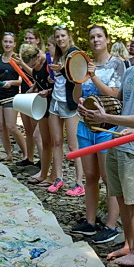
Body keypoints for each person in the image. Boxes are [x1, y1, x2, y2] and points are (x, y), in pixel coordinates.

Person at [79, 23, 134, 264]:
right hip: (117, 140)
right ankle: (128, 245)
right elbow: (118, 99)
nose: (132, 40)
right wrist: (92, 107)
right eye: (133, 36)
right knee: (121, 198)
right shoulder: (130, 70)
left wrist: (104, 118)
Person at [70, 25, 124, 237]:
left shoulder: (117, 64)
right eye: (92, 37)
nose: (95, 40)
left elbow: (115, 94)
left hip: (106, 128)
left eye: (99, 36)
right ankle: (90, 221)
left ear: (107, 39)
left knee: (108, 177)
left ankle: (111, 225)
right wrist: (79, 79)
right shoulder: (85, 64)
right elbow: (76, 97)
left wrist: (93, 76)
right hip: (85, 126)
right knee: (90, 176)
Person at [46, 26, 85, 196]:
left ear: (69, 36)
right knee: (56, 141)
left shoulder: (75, 53)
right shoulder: (57, 54)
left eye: (63, 36)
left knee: (73, 145)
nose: (60, 39)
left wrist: (60, 70)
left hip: (70, 104)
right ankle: (58, 178)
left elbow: (77, 76)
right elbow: (60, 79)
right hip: (55, 101)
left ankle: (79, 183)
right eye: (57, 37)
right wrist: (52, 79)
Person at [0, 32, 27, 163]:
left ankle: (26, 154)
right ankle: (8, 154)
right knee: (1, 127)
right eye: (5, 41)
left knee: (11, 126)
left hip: (11, 95)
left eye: (10, 42)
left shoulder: (17, 59)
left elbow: (22, 80)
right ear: (2, 42)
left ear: (14, 44)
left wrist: (11, 82)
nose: (7, 44)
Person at [14, 29, 43, 167]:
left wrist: (22, 64)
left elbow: (35, 74)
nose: (28, 41)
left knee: (37, 128)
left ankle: (43, 159)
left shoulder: (40, 56)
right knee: (28, 129)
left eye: (31, 38)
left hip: (37, 92)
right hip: (25, 90)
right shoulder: (23, 55)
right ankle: (29, 157)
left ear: (37, 40)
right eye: (26, 38)